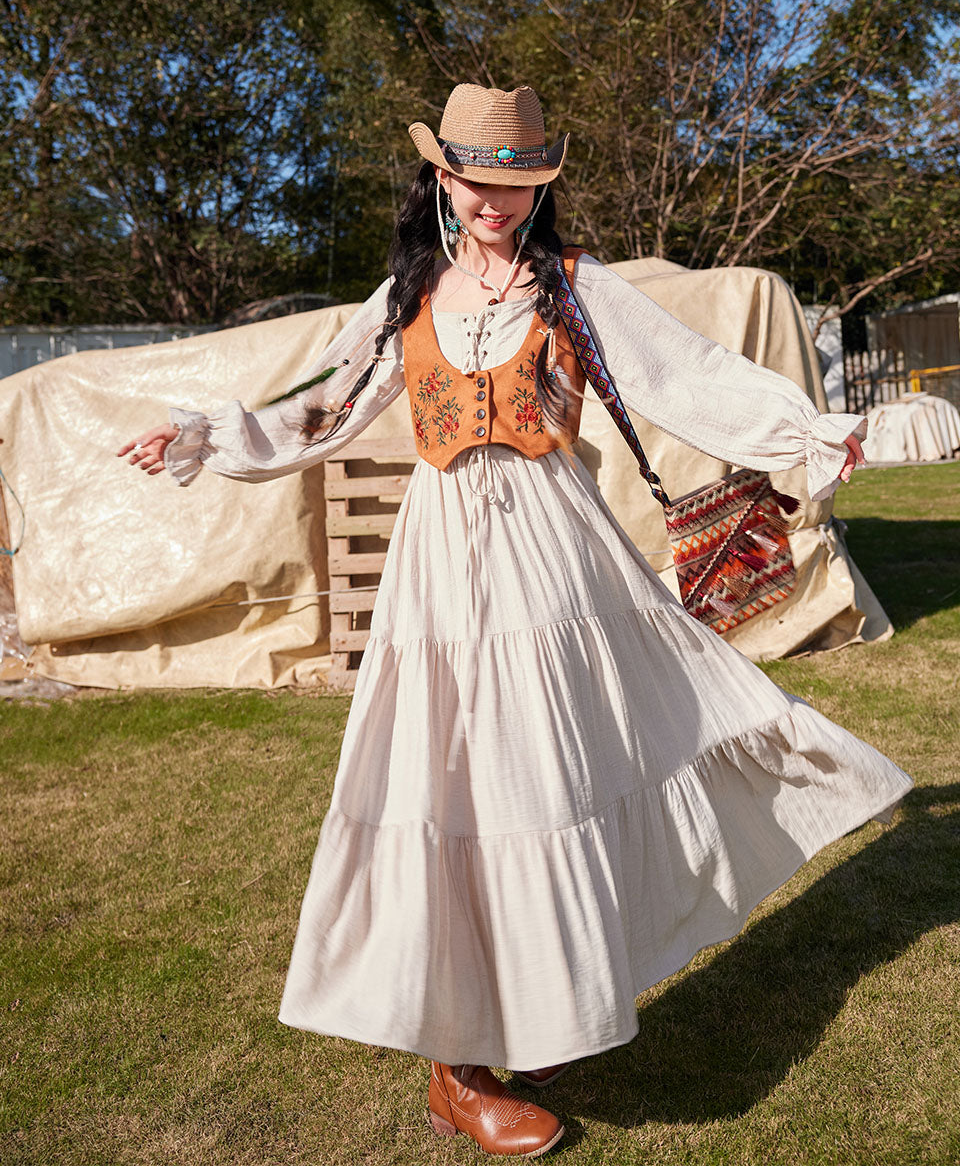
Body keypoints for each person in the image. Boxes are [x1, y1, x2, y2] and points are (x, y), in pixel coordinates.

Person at [119, 84, 912, 1159]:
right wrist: (207, 436)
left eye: (518, 182)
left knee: (559, 775)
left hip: (558, 554)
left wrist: (807, 431)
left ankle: (539, 1007)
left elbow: (690, 376)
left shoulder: (574, 287)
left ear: (539, 185)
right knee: (452, 781)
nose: (496, 200)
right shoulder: (404, 295)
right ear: (442, 180)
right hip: (445, 566)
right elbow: (321, 409)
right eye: (477, 179)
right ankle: (454, 1068)